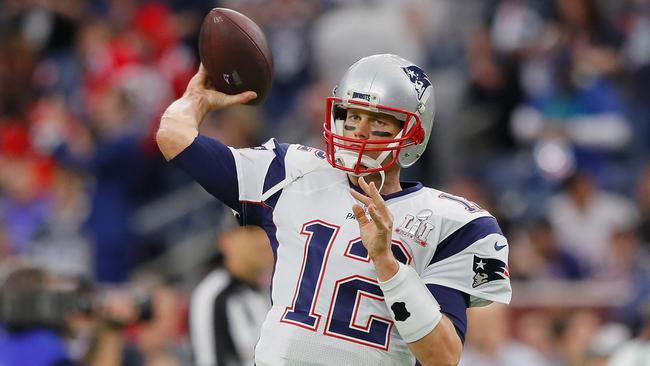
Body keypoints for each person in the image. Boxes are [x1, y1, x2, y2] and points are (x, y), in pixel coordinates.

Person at [157, 54, 512, 365]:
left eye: (378, 122)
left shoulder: (452, 223)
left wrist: (388, 264)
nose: (359, 131)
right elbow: (174, 137)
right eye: (352, 116)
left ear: (413, 134)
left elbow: (443, 357)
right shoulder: (292, 173)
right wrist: (196, 99)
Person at [189, 225, 273, 366]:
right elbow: (210, 360)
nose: (260, 240)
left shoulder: (268, 287)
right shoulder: (213, 294)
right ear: (226, 242)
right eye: (250, 233)